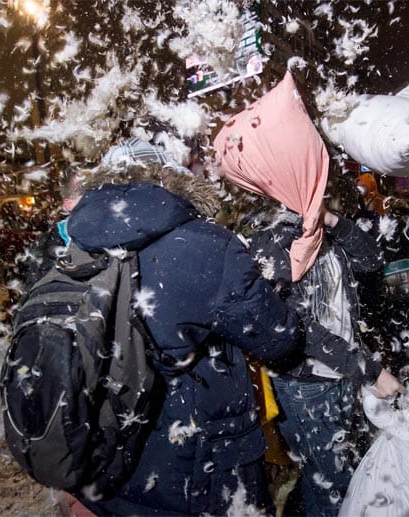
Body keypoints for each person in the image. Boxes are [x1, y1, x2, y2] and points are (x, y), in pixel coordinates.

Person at [62, 159, 303, 516]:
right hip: (202, 467)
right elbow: (279, 340)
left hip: (108, 456)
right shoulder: (207, 244)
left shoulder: (73, 243)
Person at [214, 72, 403, 516]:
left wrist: (334, 222)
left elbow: (372, 263)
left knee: (334, 472)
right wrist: (369, 370)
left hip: (342, 371)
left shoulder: (311, 222)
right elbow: (297, 327)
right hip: (307, 384)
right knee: (333, 484)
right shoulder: (268, 238)